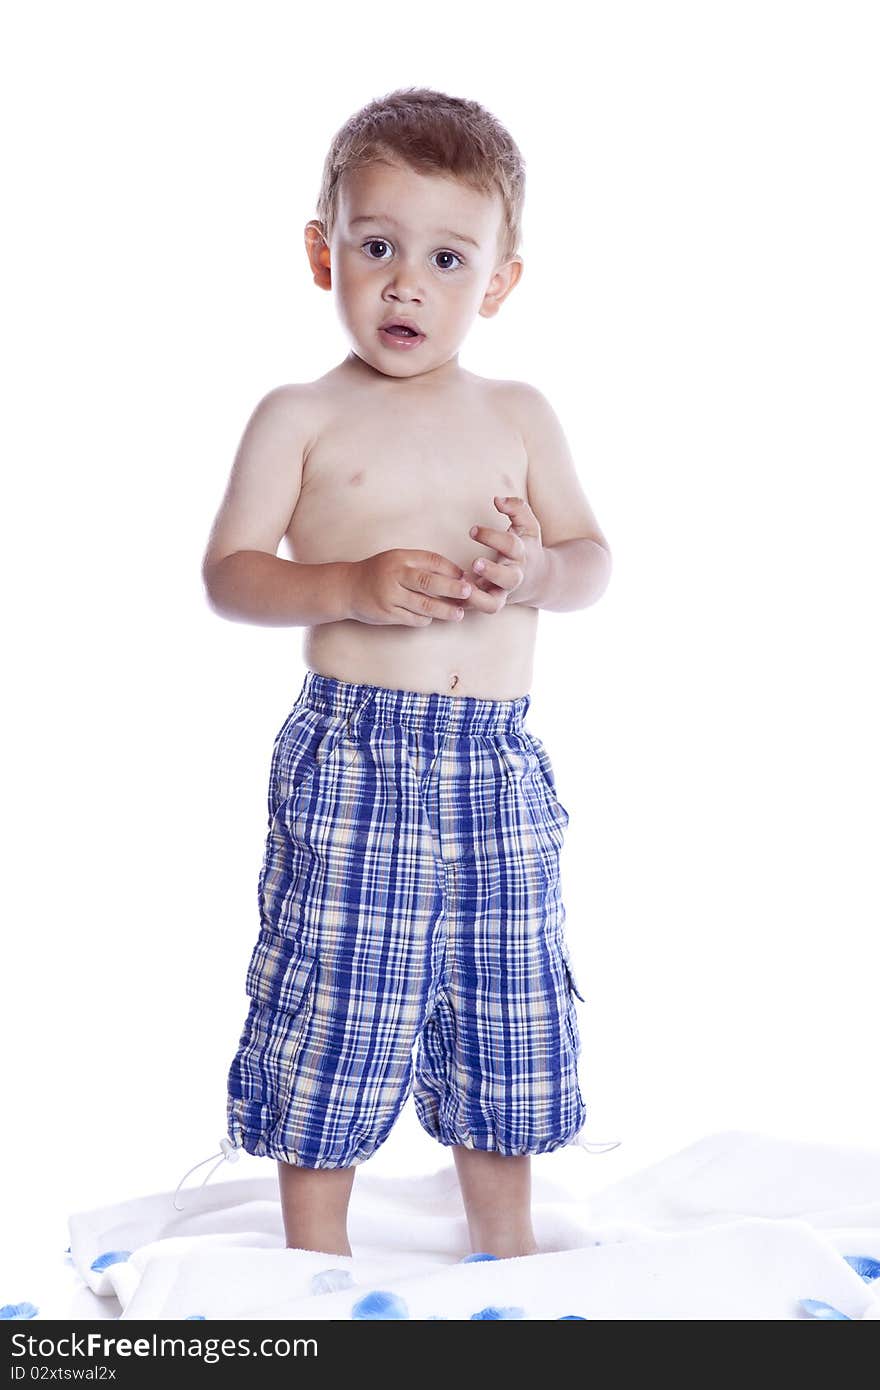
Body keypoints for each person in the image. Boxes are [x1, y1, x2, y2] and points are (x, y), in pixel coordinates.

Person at [199, 87, 612, 1260]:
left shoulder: (519, 413)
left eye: (445, 257)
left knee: (508, 997)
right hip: (358, 755)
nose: (404, 284)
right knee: (333, 990)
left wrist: (533, 570)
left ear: (497, 282)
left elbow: (592, 561)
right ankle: (313, 1255)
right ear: (323, 251)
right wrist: (344, 585)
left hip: (493, 758)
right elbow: (230, 573)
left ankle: (506, 1239)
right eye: (375, 247)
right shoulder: (301, 416)